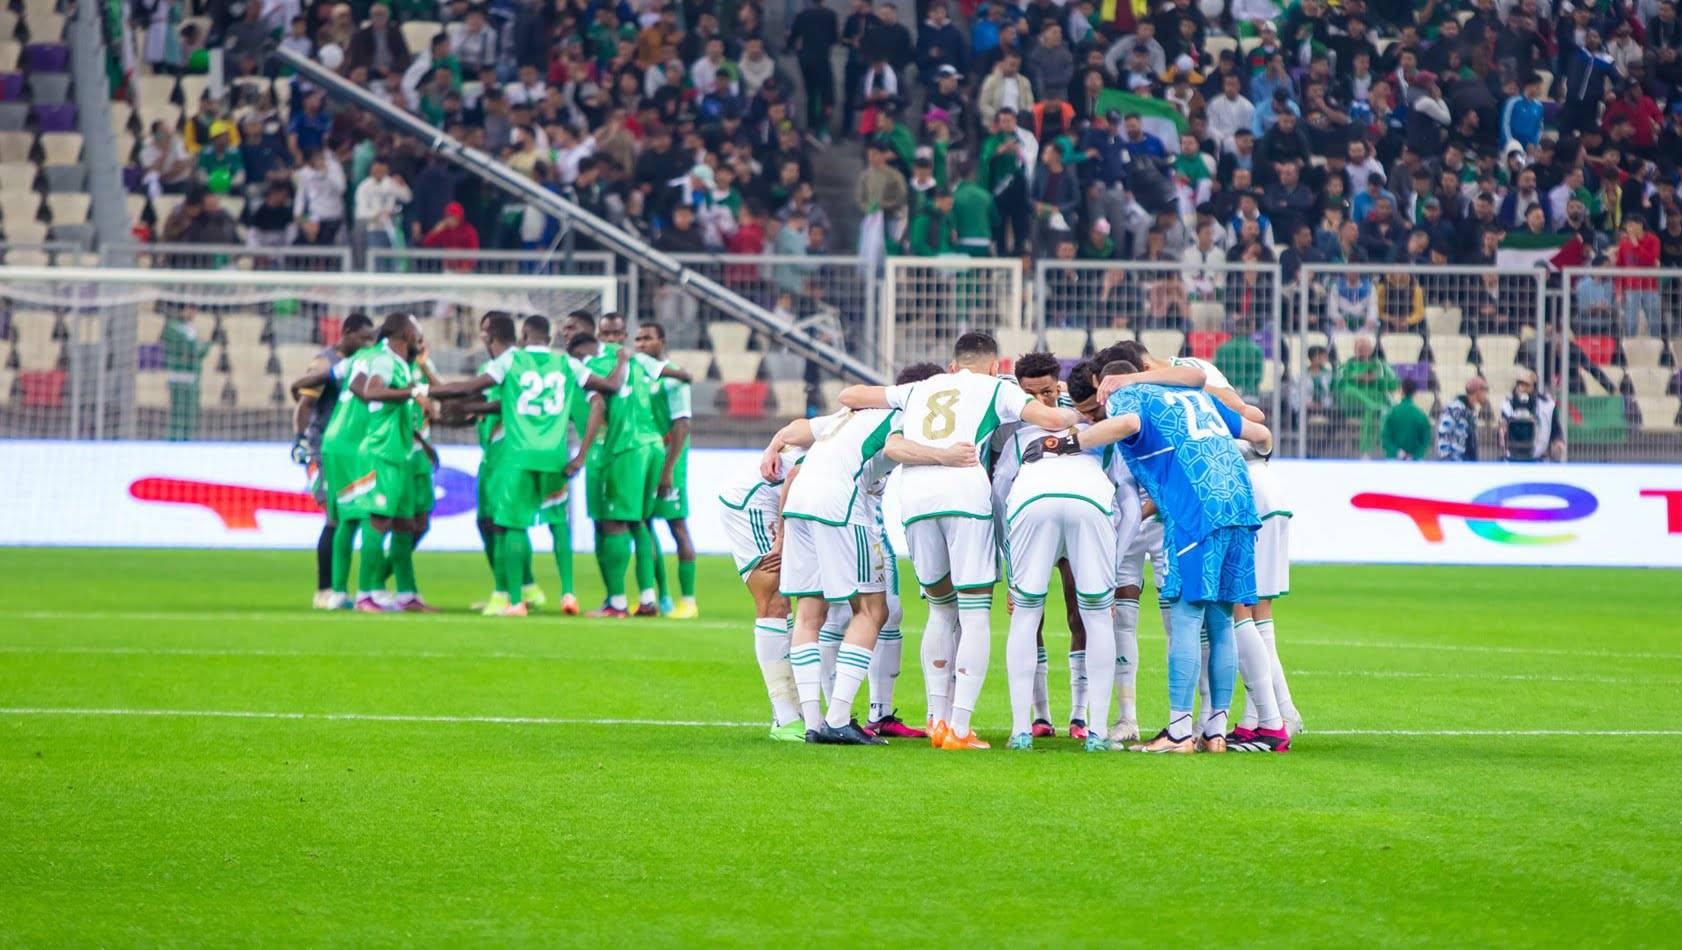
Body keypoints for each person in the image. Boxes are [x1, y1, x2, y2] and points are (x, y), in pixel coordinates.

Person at [838, 331, 1080, 750]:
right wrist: (1080, 416)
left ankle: (936, 720)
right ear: (995, 364)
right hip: (964, 497)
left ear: (954, 363)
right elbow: (1054, 421)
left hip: (913, 500)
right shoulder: (995, 388)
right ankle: (960, 728)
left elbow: (851, 393)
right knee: (973, 613)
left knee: (938, 610)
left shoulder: (920, 387)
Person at [1036, 361, 1274, 754]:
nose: (1097, 411)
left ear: (1104, 382)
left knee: (1185, 615)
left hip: (1196, 506)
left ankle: (1179, 732)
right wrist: (1263, 457)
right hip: (1240, 503)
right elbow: (1261, 434)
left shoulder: (1127, 395)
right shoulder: (1194, 396)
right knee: (1220, 619)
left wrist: (1069, 443)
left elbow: (1128, 424)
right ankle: (1215, 730)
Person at [768, 362, 964, 745]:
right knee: (874, 610)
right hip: (839, 507)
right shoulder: (901, 415)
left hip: (800, 504)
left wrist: (773, 446)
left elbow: (796, 430)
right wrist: (945, 456)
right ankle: (839, 717)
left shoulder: (847, 415)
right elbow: (895, 447)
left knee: (810, 612)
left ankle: (813, 723)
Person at [992, 359, 1122, 751]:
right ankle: (1095, 731)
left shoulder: (1018, 435)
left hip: (1033, 504)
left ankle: (1020, 730)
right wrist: (1111, 571)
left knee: (1027, 613)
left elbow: (1000, 493)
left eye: (1045, 391)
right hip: (1090, 504)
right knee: (1097, 616)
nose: (1038, 400)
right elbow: (1123, 496)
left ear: (1059, 387)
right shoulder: (1098, 427)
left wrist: (1009, 564)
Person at [718, 438, 806, 740]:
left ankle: (796, 705)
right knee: (775, 599)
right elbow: (794, 478)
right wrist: (781, 539)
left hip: (787, 502)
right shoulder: (872, 425)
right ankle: (784, 715)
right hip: (755, 501)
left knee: (806, 602)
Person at [290, 313, 376, 609]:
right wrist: (300, 439)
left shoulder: (361, 363)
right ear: (347, 332)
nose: (368, 344)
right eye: (363, 338)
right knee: (334, 516)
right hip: (321, 448)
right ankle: (325, 590)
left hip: (349, 451)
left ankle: (344, 588)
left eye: (371, 339)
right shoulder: (325, 363)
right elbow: (305, 402)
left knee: (348, 516)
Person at [636, 322, 699, 619]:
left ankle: (688, 600)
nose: (640, 344)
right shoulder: (642, 374)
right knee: (644, 524)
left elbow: (682, 424)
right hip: (646, 460)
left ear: (661, 341)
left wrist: (668, 470)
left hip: (670, 463)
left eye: (647, 338)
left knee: (677, 526)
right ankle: (661, 597)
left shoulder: (674, 379)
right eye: (637, 339)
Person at [1334, 334, 1398, 457]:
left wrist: (1377, 380)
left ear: (1371, 350)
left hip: (1377, 406)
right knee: (1348, 389)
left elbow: (1393, 385)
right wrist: (1355, 378)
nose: (1363, 351)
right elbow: (1337, 385)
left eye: (1365, 349)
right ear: (1354, 350)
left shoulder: (1382, 366)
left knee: (1375, 411)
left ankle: (1366, 452)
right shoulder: (1345, 366)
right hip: (1354, 405)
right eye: (1360, 349)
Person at [1498, 369, 1564, 462]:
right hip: (1512, 458)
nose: (1522, 388)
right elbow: (1502, 428)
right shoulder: (1507, 404)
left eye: (1526, 385)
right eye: (1519, 384)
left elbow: (1556, 429)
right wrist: (1502, 431)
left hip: (1538, 458)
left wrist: (1558, 441)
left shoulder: (1547, 406)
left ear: (1534, 387)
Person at [1436, 376, 1488, 461]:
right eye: (1484, 391)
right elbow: (1443, 432)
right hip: (1455, 463)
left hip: (1466, 461)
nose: (1486, 395)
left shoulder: (1470, 411)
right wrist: (1447, 460)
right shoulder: (1456, 408)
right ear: (1477, 391)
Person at [1381, 378, 1433, 460]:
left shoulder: (1391, 413)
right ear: (1415, 393)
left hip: (1394, 459)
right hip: (1414, 461)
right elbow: (1426, 440)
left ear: (1400, 391)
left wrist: (1397, 452)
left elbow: (1385, 438)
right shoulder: (1421, 416)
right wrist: (1415, 456)